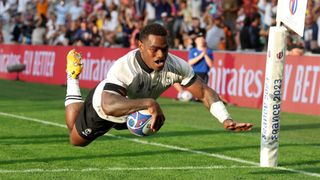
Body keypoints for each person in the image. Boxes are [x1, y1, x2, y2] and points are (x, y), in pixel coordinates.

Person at [65, 23, 253, 147]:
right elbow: (108, 104)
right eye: (154, 49)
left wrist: (226, 119)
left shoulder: (176, 65)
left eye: (164, 49)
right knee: (76, 139)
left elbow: (203, 92)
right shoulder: (124, 67)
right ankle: (72, 77)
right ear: (140, 46)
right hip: (105, 108)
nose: (161, 55)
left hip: (135, 112)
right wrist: (149, 103)